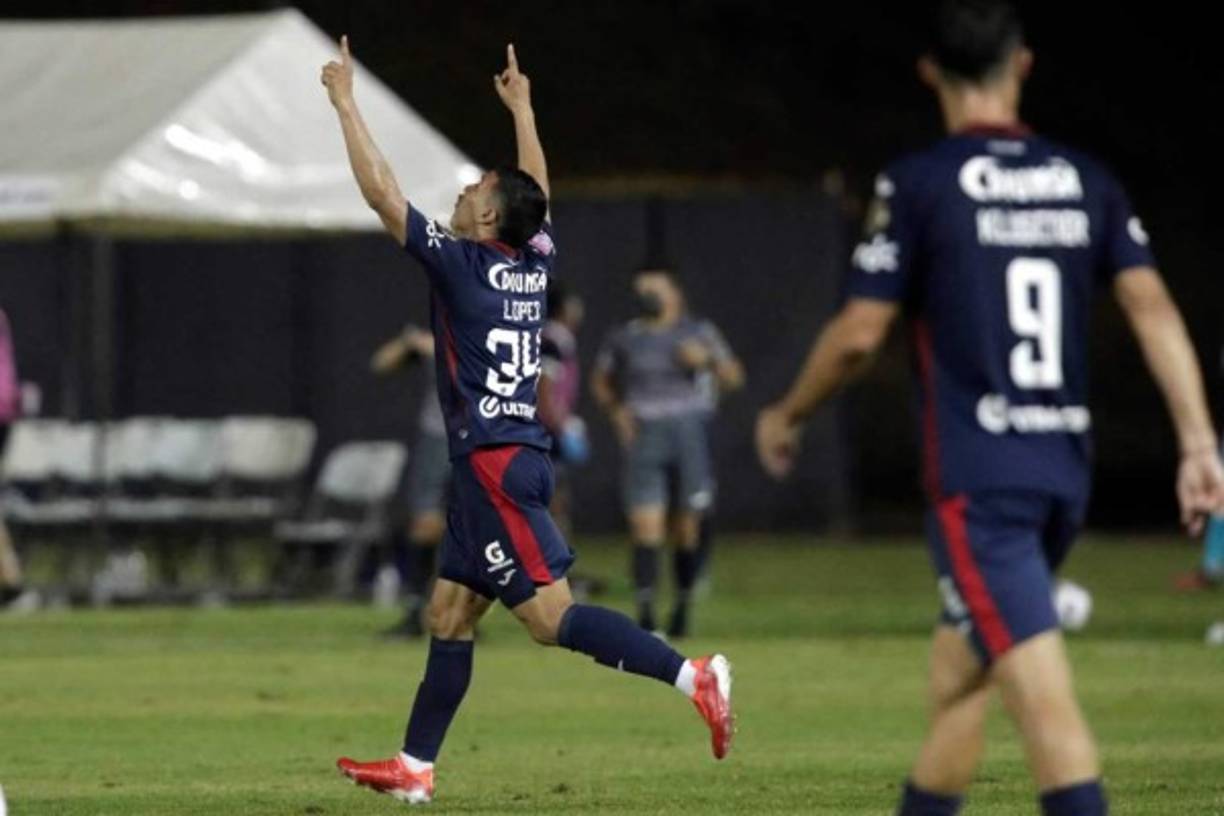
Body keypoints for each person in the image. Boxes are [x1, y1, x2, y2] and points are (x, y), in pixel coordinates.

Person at [755, 2, 1224, 814]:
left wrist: (787, 413)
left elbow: (861, 334)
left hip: (982, 487)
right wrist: (1197, 444)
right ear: (1024, 65)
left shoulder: (922, 182)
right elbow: (1150, 306)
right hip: (1062, 478)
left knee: (1046, 708)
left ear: (929, 72)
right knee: (958, 679)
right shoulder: (1085, 179)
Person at [321, 39, 734, 804]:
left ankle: (694, 676)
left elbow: (384, 196)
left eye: (476, 184)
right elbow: (535, 192)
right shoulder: (531, 260)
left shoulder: (463, 261)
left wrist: (346, 102)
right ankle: (415, 766)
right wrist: (523, 111)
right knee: (449, 613)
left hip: (492, 467)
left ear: (485, 216)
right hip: (510, 459)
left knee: (552, 620)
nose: (467, 187)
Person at [592, 267, 743, 637]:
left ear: (675, 293)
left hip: (688, 432)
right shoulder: (626, 336)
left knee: (687, 526)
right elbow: (601, 378)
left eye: (654, 289)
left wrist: (705, 361)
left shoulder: (698, 332)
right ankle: (645, 613)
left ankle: (682, 608)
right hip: (646, 433)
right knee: (646, 524)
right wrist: (616, 411)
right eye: (641, 290)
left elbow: (734, 376)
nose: (647, 296)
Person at [370, 325, 450, 637]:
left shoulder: (497, 329)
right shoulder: (441, 330)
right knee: (427, 523)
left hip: (479, 440)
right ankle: (417, 611)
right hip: (438, 440)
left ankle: (461, 614)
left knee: (473, 530)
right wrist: (407, 342)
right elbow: (380, 364)